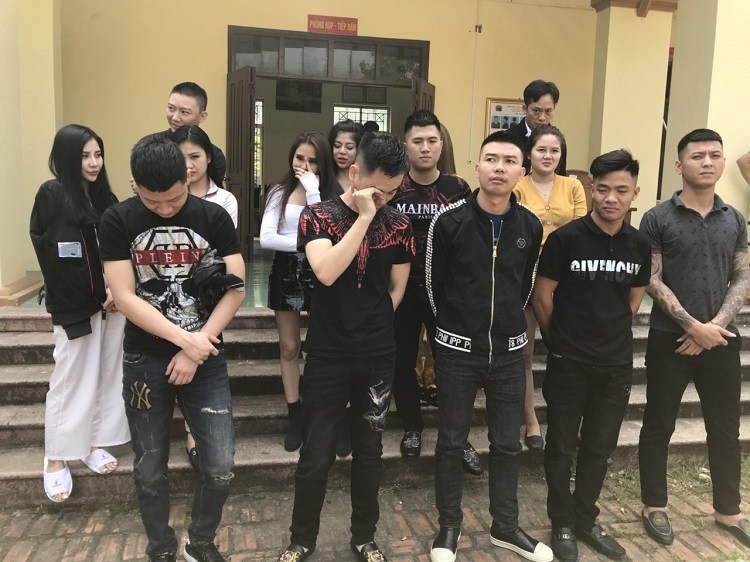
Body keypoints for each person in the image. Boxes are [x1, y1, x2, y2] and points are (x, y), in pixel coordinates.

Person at [100, 134, 245, 562]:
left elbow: (235, 287)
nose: (164, 209)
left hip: (206, 356)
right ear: (134, 185)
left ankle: (200, 542)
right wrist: (186, 341)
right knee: (149, 465)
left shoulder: (214, 216)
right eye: (152, 201)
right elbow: (124, 297)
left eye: (174, 199)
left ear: (188, 176)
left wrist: (197, 349)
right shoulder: (117, 219)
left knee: (219, 463)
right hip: (145, 358)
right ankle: (160, 547)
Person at [276, 132, 414, 562]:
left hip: (377, 352)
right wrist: (364, 218)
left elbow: (396, 289)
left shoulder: (399, 224)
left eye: (393, 192)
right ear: (355, 173)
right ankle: (301, 538)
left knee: (370, 450)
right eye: (377, 190)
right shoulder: (318, 216)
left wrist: (372, 322)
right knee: (316, 452)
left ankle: (364, 536)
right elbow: (326, 271)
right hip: (328, 353)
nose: (385, 200)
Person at [427, 130, 551, 562]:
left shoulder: (530, 225)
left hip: (509, 354)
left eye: (509, 161)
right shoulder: (449, 222)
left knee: (507, 444)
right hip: (458, 352)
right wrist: (456, 331)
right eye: (491, 159)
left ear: (522, 171)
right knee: (450, 441)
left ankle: (506, 526)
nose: (499, 168)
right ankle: (449, 526)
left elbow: (525, 285)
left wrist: (505, 329)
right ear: (477, 166)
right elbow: (433, 288)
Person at [533, 149, 650, 561]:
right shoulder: (566, 239)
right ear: (591, 191)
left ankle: (586, 518)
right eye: (602, 189)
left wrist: (608, 335)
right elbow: (542, 297)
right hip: (569, 361)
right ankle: (562, 522)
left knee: (600, 448)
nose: (611, 198)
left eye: (621, 190)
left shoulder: (640, 245)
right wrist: (560, 342)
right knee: (561, 446)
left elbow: (632, 301)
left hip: (615, 365)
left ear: (635, 192)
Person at [638, 129, 750, 549]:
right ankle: (654, 505)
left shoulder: (734, 218)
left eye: (715, 155)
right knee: (658, 424)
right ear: (679, 165)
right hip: (669, 339)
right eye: (697, 155)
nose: (707, 162)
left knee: (725, 428)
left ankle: (728, 510)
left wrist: (713, 327)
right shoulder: (657, 218)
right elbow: (651, 279)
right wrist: (691, 326)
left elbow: (743, 274)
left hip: (721, 339)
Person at [30, 124, 130, 503]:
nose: (93, 162)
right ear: (67, 158)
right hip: (76, 306)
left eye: (98, 154)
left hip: (112, 305)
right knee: (70, 376)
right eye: (85, 155)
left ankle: (92, 442)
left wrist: (115, 290)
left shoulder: (106, 198)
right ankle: (56, 454)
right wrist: (93, 293)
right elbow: (54, 256)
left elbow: (119, 249)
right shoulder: (52, 194)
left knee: (105, 372)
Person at [388, 110, 480, 475]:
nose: (425, 148)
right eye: (417, 141)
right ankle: (412, 426)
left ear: (441, 145)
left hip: (447, 294)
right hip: (403, 291)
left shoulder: (458, 189)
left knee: (451, 365)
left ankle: (458, 435)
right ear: (406, 146)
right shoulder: (393, 187)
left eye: (431, 141)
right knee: (402, 362)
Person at [260, 131, 340, 452]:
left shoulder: (332, 194)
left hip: (322, 272)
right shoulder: (279, 192)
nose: (304, 166)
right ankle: (295, 413)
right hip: (286, 272)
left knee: (324, 347)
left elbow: (327, 230)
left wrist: (313, 191)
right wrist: (307, 244)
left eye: (312, 161)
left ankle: (326, 413)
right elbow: (267, 237)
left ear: (323, 164)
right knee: (290, 346)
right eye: (299, 158)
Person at [513, 125, 587, 451]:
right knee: (525, 353)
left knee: (572, 351)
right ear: (529, 153)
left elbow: (582, 230)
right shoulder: (517, 187)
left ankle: (575, 422)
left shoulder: (573, 186)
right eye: (541, 149)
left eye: (554, 150)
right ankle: (530, 420)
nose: (548, 156)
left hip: (567, 277)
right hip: (526, 275)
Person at [170, 125, 238, 468]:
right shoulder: (163, 197)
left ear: (209, 157)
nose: (188, 165)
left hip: (208, 296)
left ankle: (195, 432)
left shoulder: (224, 201)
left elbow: (222, 256)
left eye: (195, 156)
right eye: (181, 158)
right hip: (168, 296)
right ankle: (186, 424)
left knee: (202, 353)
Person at [508, 80, 566, 176]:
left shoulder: (557, 140)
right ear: (525, 109)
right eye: (536, 111)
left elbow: (560, 175)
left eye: (548, 111)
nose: (542, 118)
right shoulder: (509, 138)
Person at [328, 119, 364, 191]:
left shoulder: (366, 183)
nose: (342, 151)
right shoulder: (322, 181)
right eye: (337, 146)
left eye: (349, 147)